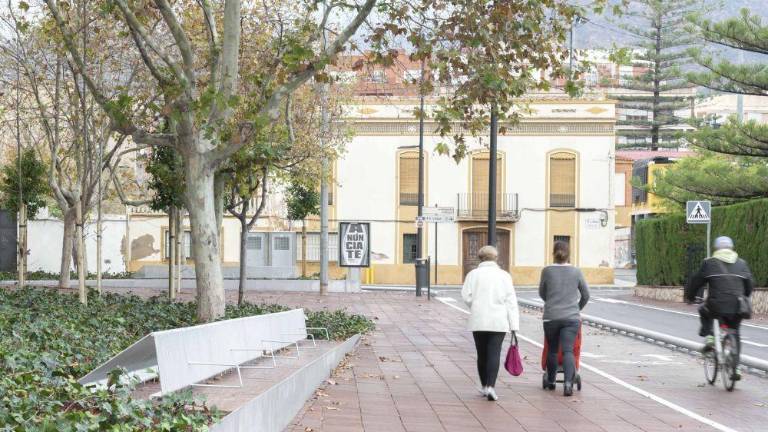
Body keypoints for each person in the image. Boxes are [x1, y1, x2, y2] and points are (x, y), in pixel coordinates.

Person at [685, 236, 753, 380]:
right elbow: (749, 286)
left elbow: (696, 281)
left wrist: (690, 297)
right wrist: (744, 296)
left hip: (716, 305)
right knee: (735, 332)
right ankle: (736, 367)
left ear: (716, 248)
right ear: (732, 248)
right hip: (738, 306)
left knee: (703, 309)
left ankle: (710, 336)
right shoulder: (742, 263)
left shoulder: (709, 263)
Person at [461, 245, 519, 401]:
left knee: (482, 354)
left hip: (478, 319)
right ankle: (491, 387)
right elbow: (511, 301)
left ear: (480, 258)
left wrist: (475, 304)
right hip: (498, 320)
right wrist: (514, 325)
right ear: (496, 258)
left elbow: (466, 296)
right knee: (494, 352)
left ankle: (484, 385)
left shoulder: (473, 274)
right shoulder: (504, 276)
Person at [538, 241, 589, 396]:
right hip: (571, 318)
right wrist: (576, 309)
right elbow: (586, 295)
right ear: (569, 254)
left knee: (552, 350)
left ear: (553, 253)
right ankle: (568, 384)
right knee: (568, 351)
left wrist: (552, 302)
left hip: (551, 317)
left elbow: (542, 292)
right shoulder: (576, 271)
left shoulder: (547, 271)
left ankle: (552, 381)